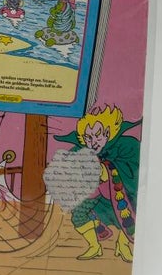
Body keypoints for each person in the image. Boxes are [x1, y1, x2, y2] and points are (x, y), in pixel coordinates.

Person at [55, 105, 140, 262]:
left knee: (131, 216)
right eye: (88, 137)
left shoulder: (125, 145)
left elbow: (133, 169)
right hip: (94, 196)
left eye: (98, 136)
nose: (93, 142)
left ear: (109, 133)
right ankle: (94, 246)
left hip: (120, 194)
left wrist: (108, 168)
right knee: (78, 217)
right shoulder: (79, 151)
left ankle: (123, 245)